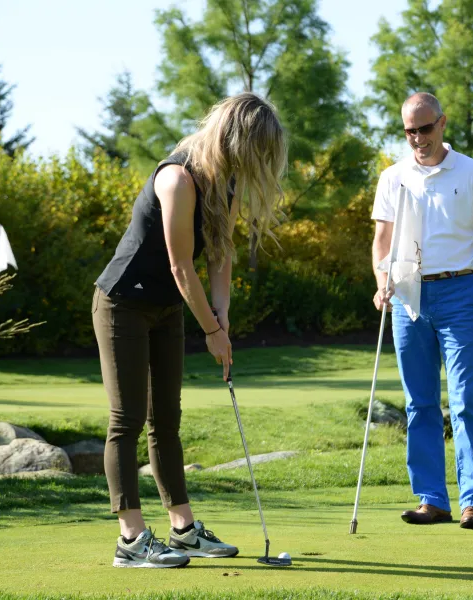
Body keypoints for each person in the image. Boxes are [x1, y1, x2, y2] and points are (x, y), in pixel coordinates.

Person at [92, 92, 287, 567]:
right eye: (255, 150)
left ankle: (183, 529)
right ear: (233, 139)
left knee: (167, 422)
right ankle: (131, 540)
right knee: (128, 419)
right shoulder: (177, 179)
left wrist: (221, 316)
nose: (257, 162)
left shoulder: (227, 186)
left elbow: (220, 254)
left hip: (166, 308)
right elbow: (182, 267)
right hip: (122, 303)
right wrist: (211, 331)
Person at [371, 92, 473, 530]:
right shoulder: (393, 177)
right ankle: (432, 499)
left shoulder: (471, 172)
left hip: (459, 292)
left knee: (466, 397)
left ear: (442, 123)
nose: (418, 138)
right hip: (408, 296)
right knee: (419, 402)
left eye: (425, 128)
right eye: (410, 131)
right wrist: (381, 284)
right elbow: (382, 241)